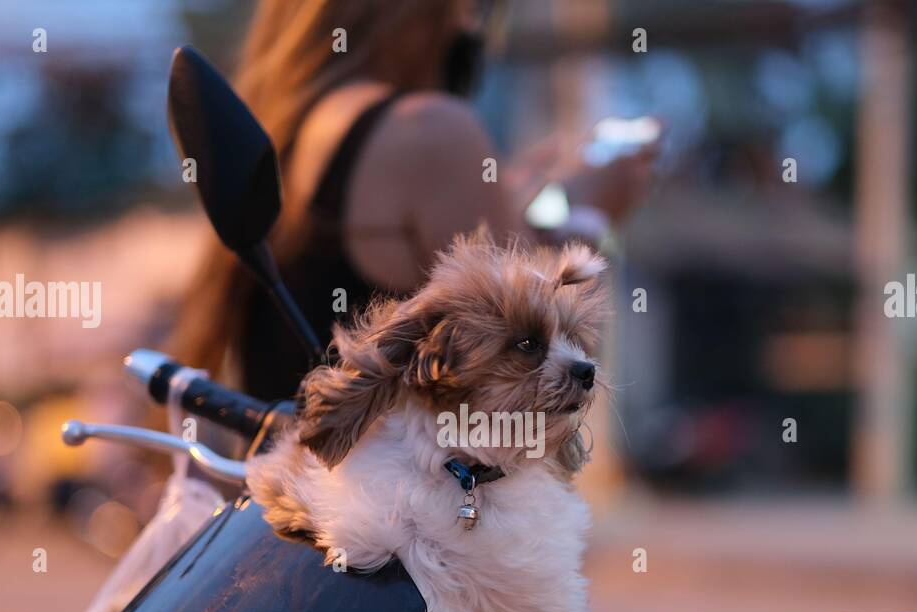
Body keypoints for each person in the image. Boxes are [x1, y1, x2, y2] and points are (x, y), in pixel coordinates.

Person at [173, 0, 656, 403]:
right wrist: (593, 216)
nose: (472, 27)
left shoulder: (295, 121)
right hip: (395, 510)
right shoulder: (429, 128)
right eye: (476, 8)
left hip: (299, 497)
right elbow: (535, 361)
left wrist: (510, 198)